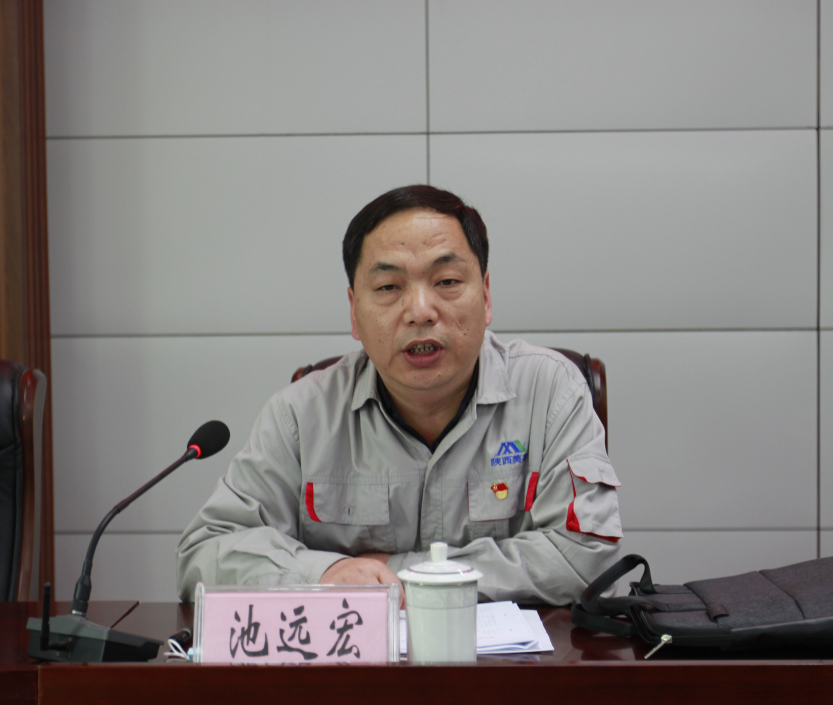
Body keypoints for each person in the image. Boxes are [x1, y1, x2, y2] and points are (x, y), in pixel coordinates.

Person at [176, 185, 622, 604]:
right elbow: (205, 552)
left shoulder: (551, 392)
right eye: (389, 287)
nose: (420, 312)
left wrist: (402, 576)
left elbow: (585, 555)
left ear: (486, 297)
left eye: (447, 281)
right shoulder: (301, 415)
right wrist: (322, 574)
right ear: (354, 312)